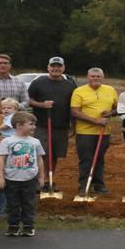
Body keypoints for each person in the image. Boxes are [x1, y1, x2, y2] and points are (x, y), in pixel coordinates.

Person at [25, 56, 76, 194]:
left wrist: (73, 125)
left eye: (59, 66)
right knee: (42, 153)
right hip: (42, 124)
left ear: (63, 68)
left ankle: (48, 179)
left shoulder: (70, 85)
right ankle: (40, 180)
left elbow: (75, 106)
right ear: (48, 68)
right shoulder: (39, 82)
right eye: (53, 66)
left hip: (61, 125)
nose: (56, 69)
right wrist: (41, 105)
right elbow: (28, 100)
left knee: (54, 154)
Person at [69, 67, 118, 195]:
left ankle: (98, 185)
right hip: (85, 132)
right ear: (87, 77)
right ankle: (84, 185)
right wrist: (95, 121)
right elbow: (74, 112)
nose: (95, 79)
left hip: (104, 132)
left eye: (98, 76)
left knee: (99, 159)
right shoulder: (79, 91)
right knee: (86, 159)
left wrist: (110, 112)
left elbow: (117, 108)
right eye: (92, 76)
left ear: (103, 77)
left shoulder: (111, 90)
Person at [0, 111, 43, 237]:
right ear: (19, 125)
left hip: (30, 178)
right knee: (12, 203)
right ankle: (13, 225)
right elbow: (1, 159)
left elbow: (39, 159)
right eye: (31, 124)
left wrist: (41, 177)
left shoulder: (35, 142)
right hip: (11, 178)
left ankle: (28, 226)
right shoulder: (7, 141)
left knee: (29, 203)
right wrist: (0, 177)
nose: (34, 127)